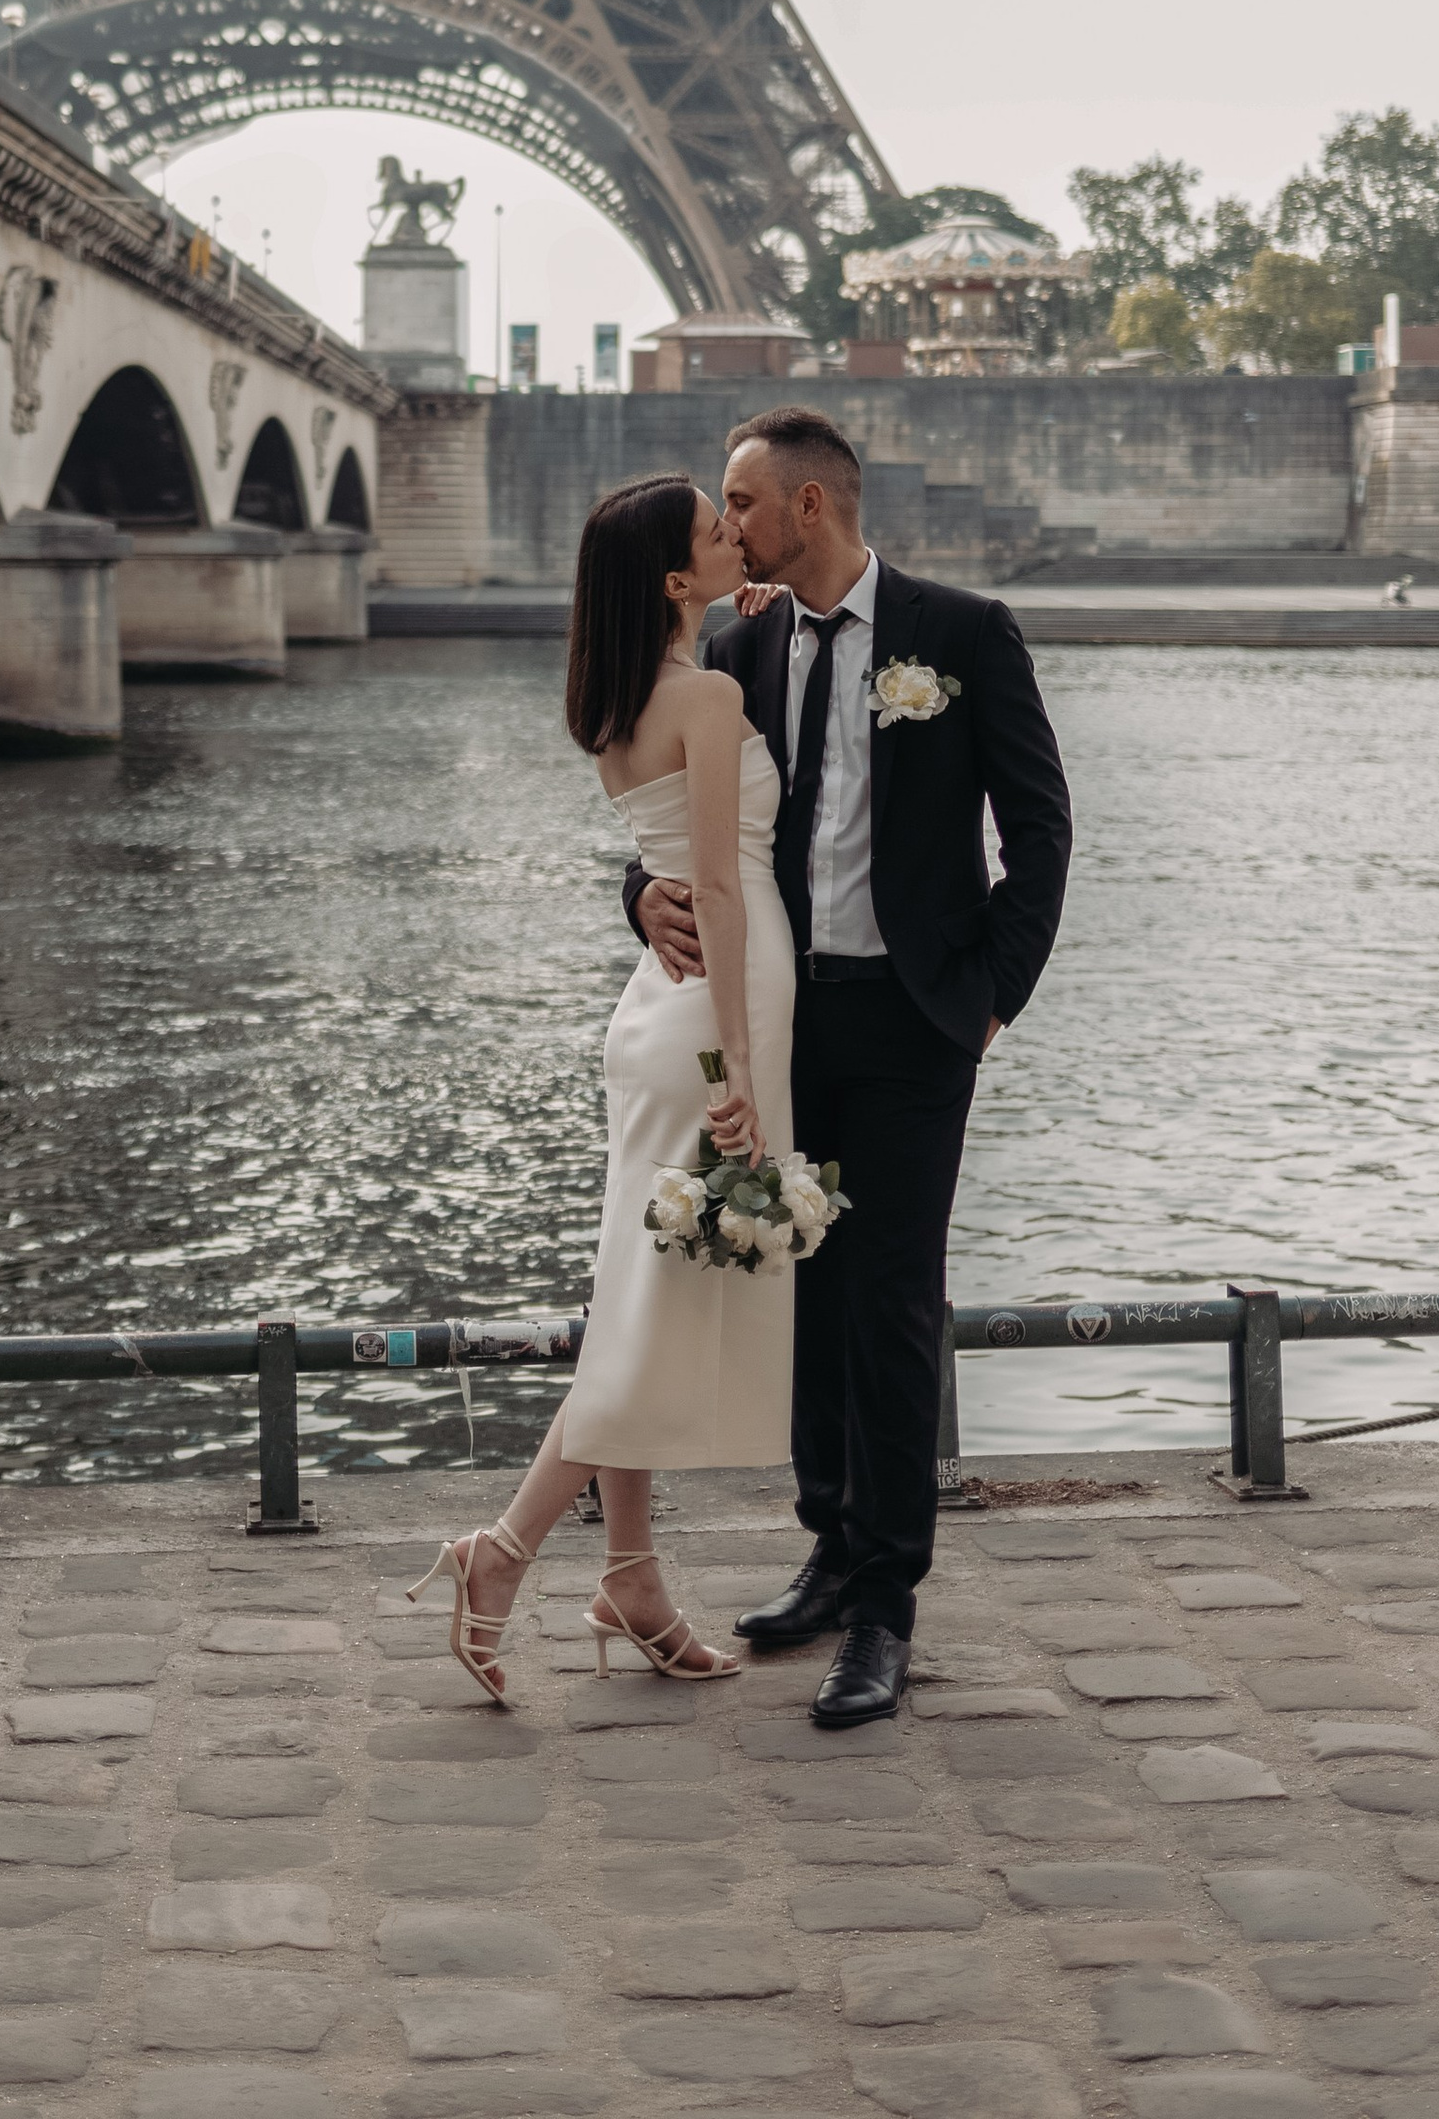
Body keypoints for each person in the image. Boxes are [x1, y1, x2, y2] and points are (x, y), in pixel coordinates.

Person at [622, 406, 1072, 1729]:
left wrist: (988, 1001)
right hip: (781, 1020)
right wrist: (635, 900)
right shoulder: (739, 644)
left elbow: (1040, 835)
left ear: (808, 509)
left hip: (915, 1021)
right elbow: (687, 821)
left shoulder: (964, 633)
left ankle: (887, 1605)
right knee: (796, 1291)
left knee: (889, 1302)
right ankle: (829, 1541)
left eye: (743, 504)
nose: (730, 527)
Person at [410, 474, 794, 1705]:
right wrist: (737, 1071)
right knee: (646, 1316)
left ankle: (630, 1574)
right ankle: (502, 1553)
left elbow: (671, 865)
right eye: (711, 530)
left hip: (656, 1007)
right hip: (710, 1014)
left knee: (640, 1294)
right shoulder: (710, 693)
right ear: (678, 580)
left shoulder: (621, 699)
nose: (736, 530)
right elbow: (723, 893)